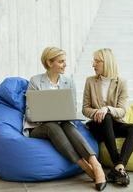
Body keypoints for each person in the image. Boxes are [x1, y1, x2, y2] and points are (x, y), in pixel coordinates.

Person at [23, 47, 107, 191]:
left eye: (65, 61)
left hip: (64, 123)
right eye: (61, 62)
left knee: (68, 125)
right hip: (39, 127)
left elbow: (72, 109)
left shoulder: (68, 82)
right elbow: (29, 113)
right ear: (49, 63)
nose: (65, 65)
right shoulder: (35, 81)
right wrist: (46, 116)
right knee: (52, 125)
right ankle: (84, 166)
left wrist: (63, 115)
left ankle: (95, 164)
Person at [82, 48, 133, 186]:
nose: (93, 64)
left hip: (113, 124)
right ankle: (118, 164)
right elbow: (85, 108)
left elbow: (122, 111)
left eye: (97, 61)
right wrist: (97, 112)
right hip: (97, 125)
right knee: (106, 117)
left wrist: (107, 108)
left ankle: (118, 168)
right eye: (93, 61)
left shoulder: (121, 83)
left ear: (106, 62)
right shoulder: (90, 81)